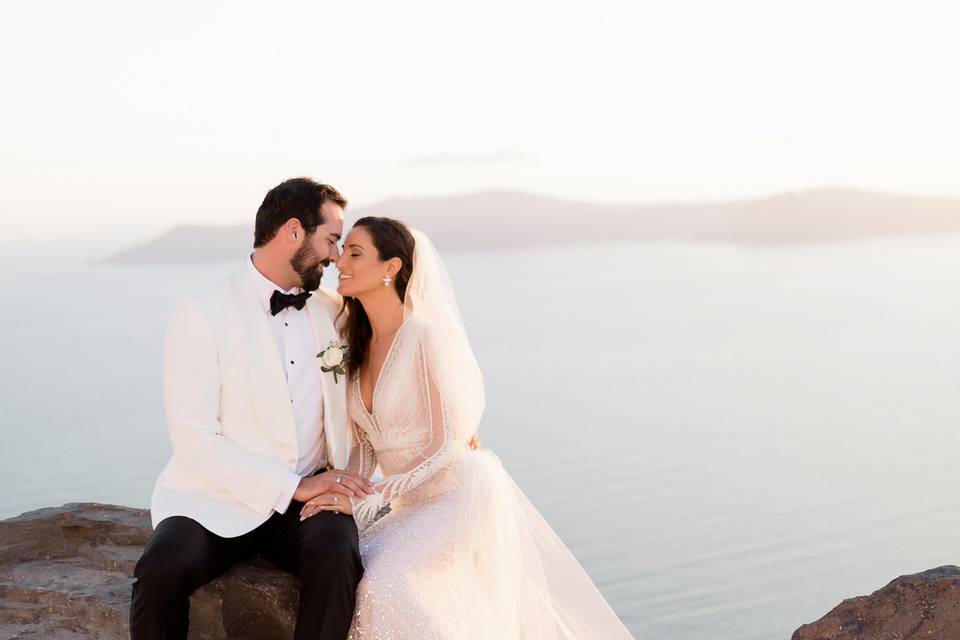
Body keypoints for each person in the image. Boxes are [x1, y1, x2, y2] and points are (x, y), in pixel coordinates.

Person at [300, 216, 635, 639]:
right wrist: (344, 491)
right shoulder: (355, 339)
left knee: (385, 585)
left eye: (355, 253)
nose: (340, 262)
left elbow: (446, 444)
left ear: (392, 268)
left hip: (453, 498)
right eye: (342, 251)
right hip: (405, 505)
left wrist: (370, 502)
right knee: (351, 568)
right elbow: (367, 443)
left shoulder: (424, 334)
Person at [130, 178, 374, 640]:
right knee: (159, 570)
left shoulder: (331, 312)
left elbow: (385, 367)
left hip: (308, 503)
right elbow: (194, 441)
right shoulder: (201, 313)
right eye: (331, 239)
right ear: (294, 232)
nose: (336, 257)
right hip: (213, 498)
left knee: (338, 554)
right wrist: (292, 486)